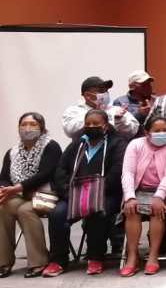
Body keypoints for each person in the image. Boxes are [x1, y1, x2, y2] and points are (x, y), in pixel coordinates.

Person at [43, 109, 126, 277]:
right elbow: (61, 170)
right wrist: (67, 192)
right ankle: (58, 260)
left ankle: (95, 257)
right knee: (57, 213)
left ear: (106, 125)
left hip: (105, 194)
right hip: (73, 196)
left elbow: (117, 172)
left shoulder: (117, 143)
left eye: (96, 124)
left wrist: (96, 191)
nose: (92, 127)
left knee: (98, 211)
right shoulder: (77, 144)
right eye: (88, 124)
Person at [0, 113, 62, 278]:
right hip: (20, 194)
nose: (27, 128)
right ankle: (3, 261)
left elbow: (46, 173)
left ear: (41, 128)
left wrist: (19, 187)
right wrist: (4, 188)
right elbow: (4, 176)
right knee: (2, 206)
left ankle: (39, 261)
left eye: (32, 125)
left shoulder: (51, 146)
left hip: (48, 193)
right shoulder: (12, 152)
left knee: (26, 210)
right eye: (24, 124)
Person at [120, 116, 166, 276]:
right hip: (138, 190)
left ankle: (153, 256)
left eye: (165, 130)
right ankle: (132, 257)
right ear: (147, 132)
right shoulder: (135, 144)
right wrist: (130, 197)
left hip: (164, 191)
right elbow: (128, 173)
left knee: (157, 210)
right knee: (132, 210)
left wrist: (159, 196)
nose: (162, 133)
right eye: (157, 131)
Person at [62, 76, 139, 140]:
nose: (105, 93)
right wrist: (96, 114)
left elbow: (133, 131)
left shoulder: (116, 110)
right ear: (88, 96)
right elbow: (70, 131)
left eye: (106, 90)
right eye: (101, 91)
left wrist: (119, 120)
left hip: (112, 154)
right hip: (85, 154)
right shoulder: (74, 111)